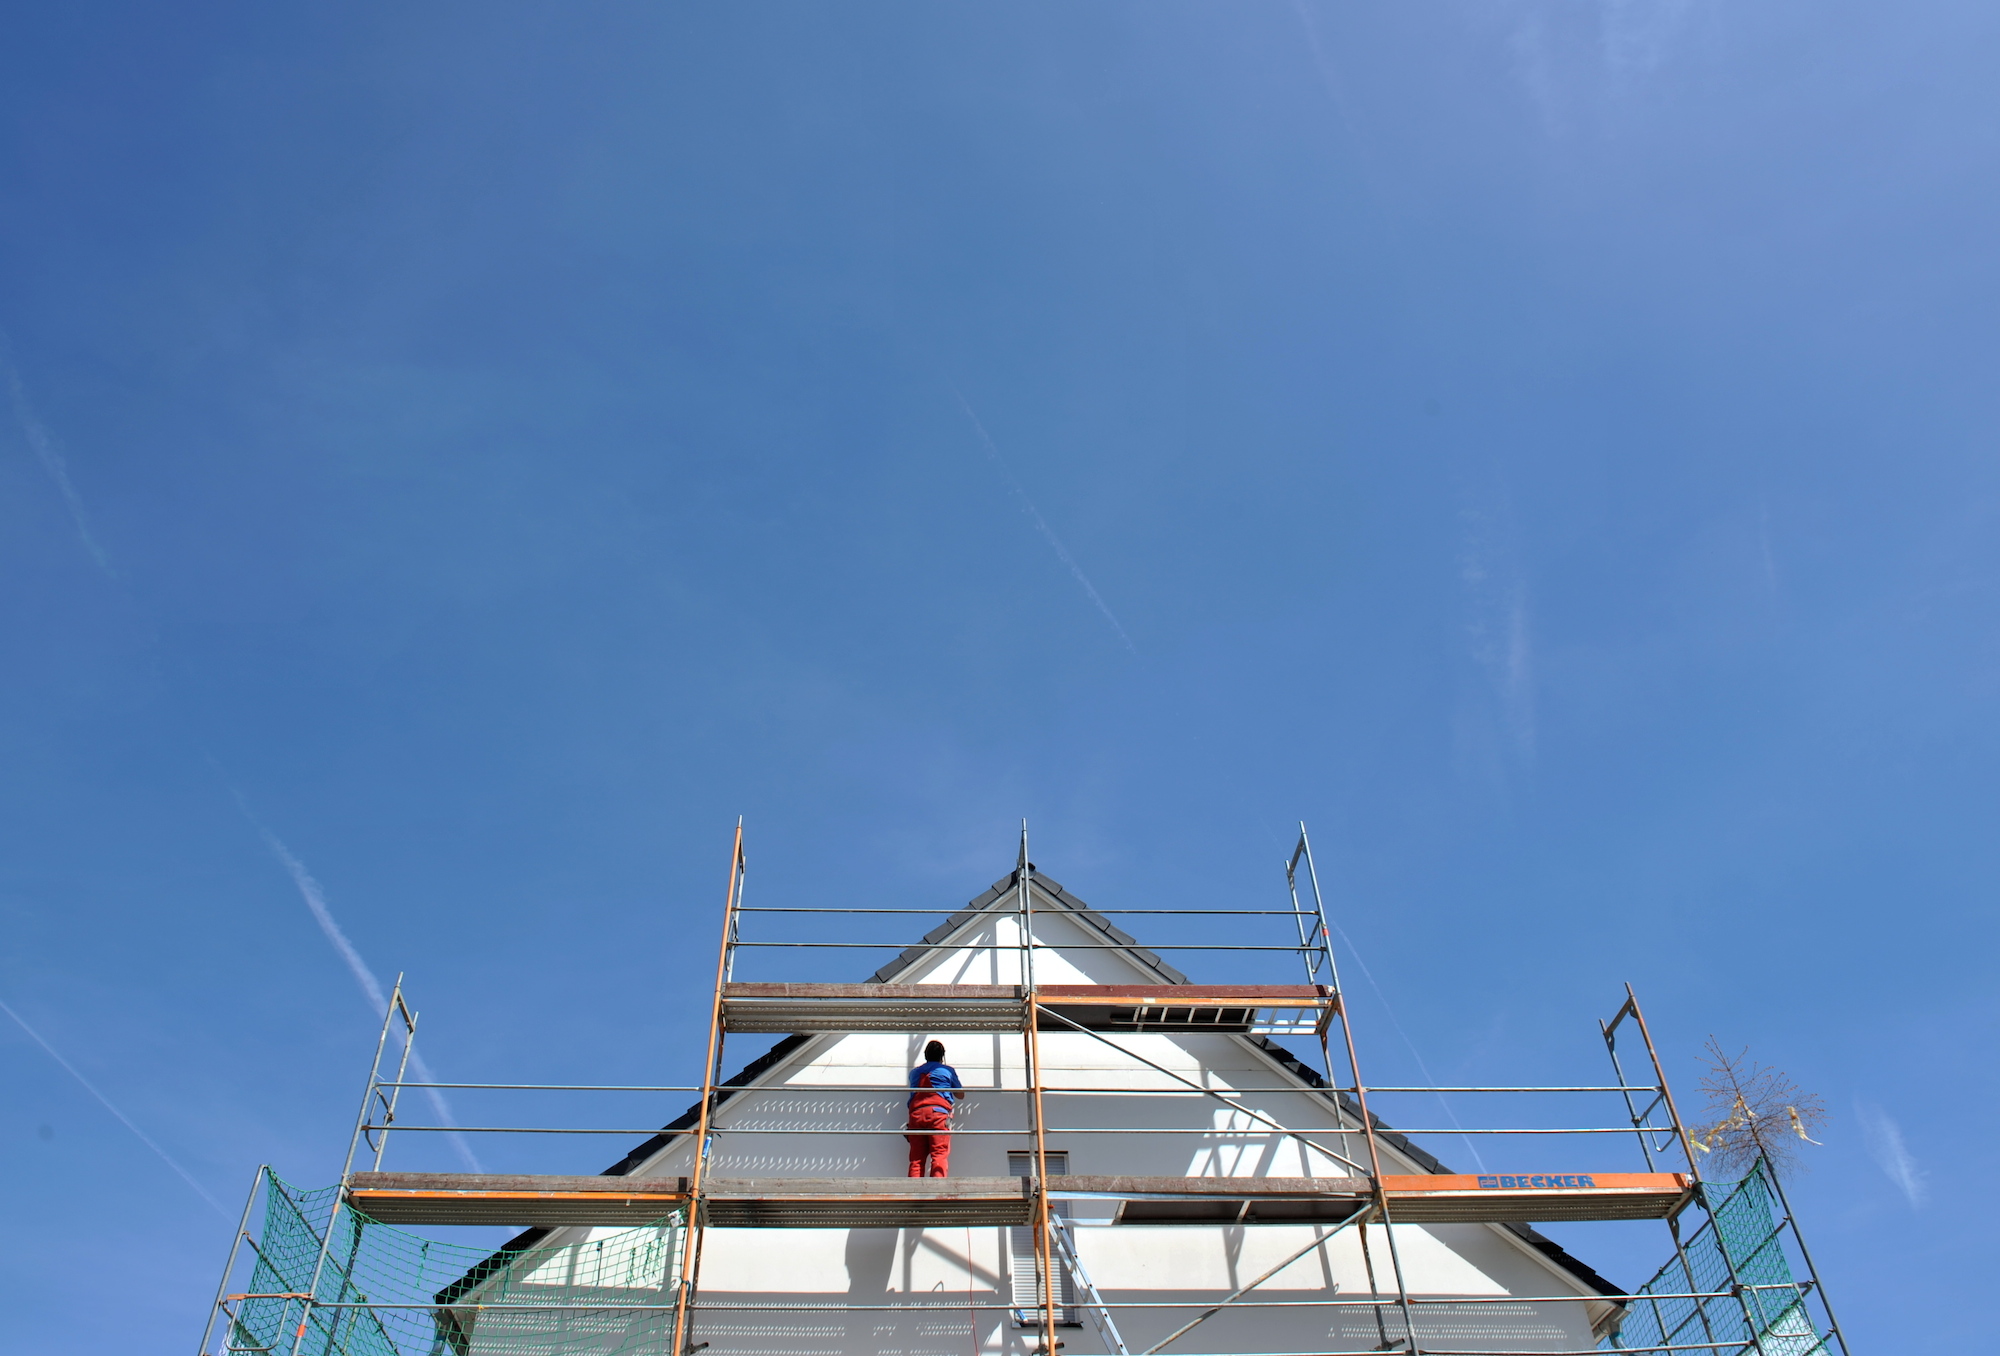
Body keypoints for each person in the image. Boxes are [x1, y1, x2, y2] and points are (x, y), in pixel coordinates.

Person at [905, 1039, 962, 1178]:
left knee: (916, 1159)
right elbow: (961, 1094)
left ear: (925, 1055)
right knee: (939, 1155)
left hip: (916, 1115)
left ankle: (913, 1193)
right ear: (942, 1056)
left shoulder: (914, 1073)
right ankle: (937, 1193)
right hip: (938, 1114)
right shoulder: (947, 1071)